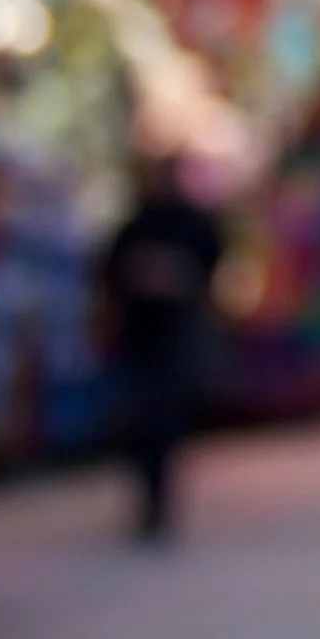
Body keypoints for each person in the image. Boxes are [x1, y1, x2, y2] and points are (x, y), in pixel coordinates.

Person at [99, 153, 224, 542]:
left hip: (175, 336)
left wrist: (177, 276)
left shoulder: (191, 222)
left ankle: (159, 504)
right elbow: (109, 266)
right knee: (139, 422)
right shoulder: (137, 221)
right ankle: (147, 499)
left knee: (164, 421)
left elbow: (210, 262)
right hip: (139, 336)